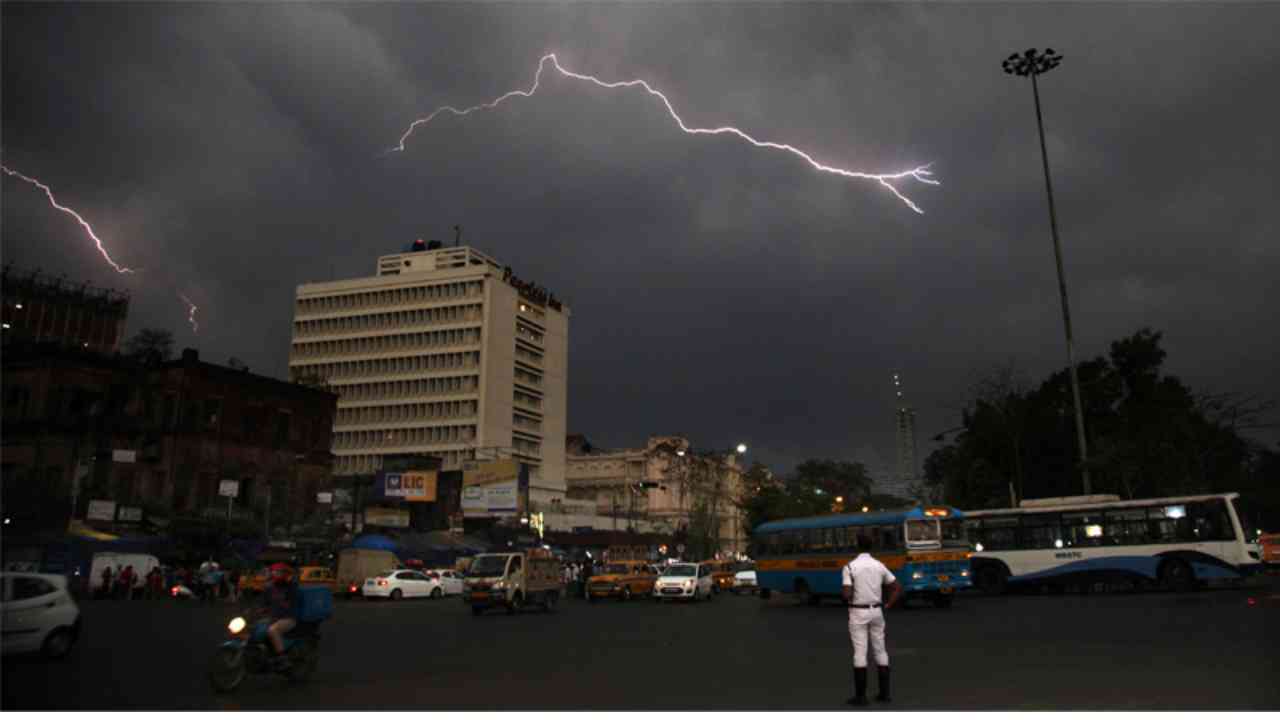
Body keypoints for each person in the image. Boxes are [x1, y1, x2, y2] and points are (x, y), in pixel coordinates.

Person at [841, 533, 902, 706]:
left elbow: (846, 594)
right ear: (871, 547)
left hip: (858, 612)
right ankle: (884, 693)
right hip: (877, 611)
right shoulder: (879, 565)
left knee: (860, 652)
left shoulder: (850, 567)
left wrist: (848, 591)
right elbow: (896, 587)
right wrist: (888, 604)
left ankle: (861, 697)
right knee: (880, 650)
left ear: (857, 546)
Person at [260, 563, 300, 670]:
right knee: (256, 629)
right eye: (275, 571)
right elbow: (263, 604)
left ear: (286, 574)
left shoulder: (291, 587)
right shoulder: (269, 588)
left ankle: (283, 658)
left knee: (273, 630)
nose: (277, 574)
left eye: (280, 572)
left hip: (288, 619)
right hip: (273, 618)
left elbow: (294, 603)